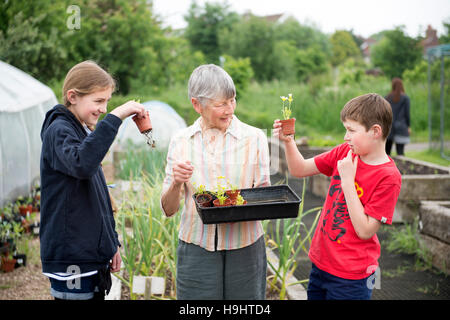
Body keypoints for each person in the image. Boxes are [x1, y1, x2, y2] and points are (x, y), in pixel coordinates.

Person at [273, 93, 402, 300]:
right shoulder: (345, 153)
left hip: (352, 277)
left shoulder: (389, 177)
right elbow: (299, 169)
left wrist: (348, 181)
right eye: (345, 130)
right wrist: (289, 142)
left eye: (351, 130)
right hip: (321, 265)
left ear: (375, 131)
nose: (345, 137)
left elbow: (365, 230)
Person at [160, 64, 270, 300]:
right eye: (220, 104)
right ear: (196, 105)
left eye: (232, 100)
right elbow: (169, 209)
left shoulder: (255, 138)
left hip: (246, 245)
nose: (229, 109)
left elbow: (264, 197)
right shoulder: (181, 141)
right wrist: (177, 183)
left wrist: (237, 207)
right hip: (196, 245)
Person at [40, 60, 146, 300]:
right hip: (73, 261)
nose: (103, 108)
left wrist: (110, 244)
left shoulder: (79, 131)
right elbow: (82, 164)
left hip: (89, 255)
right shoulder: (58, 130)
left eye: (107, 102)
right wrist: (117, 116)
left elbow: (98, 197)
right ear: (72, 96)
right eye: (98, 101)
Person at [385, 78, 411, 156]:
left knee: (386, 153)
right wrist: (408, 126)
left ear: (392, 86)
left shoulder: (387, 97)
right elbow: (407, 114)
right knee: (400, 153)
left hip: (389, 127)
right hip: (401, 127)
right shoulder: (405, 98)